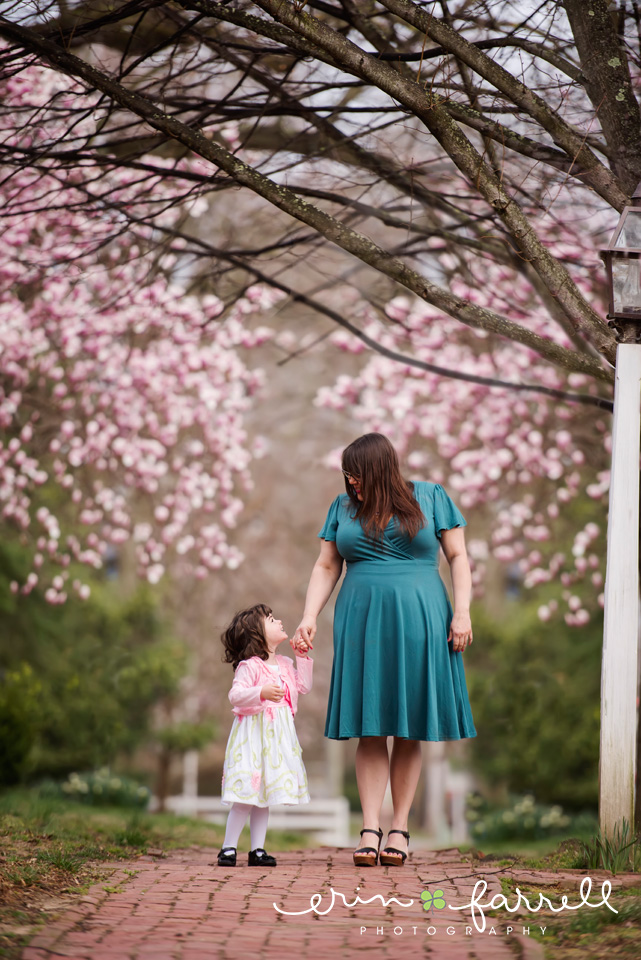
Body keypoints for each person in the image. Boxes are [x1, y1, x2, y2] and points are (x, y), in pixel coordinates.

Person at [294, 433, 475, 867]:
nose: (352, 484)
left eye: (357, 476)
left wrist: (463, 612)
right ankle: (369, 829)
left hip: (421, 620)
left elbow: (458, 557)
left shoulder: (431, 497)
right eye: (348, 477)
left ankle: (399, 828)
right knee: (370, 724)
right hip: (363, 622)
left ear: (380, 469)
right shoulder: (342, 509)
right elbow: (326, 564)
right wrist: (309, 615)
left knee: (409, 726)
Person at [218, 603, 313, 867]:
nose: (279, 621)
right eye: (271, 619)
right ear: (257, 634)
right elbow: (236, 695)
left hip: (276, 744)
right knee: (245, 795)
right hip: (252, 739)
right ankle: (228, 847)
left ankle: (257, 850)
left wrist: (301, 657)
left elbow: (304, 686)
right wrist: (260, 692)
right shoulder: (250, 667)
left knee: (264, 798)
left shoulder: (285, 664)